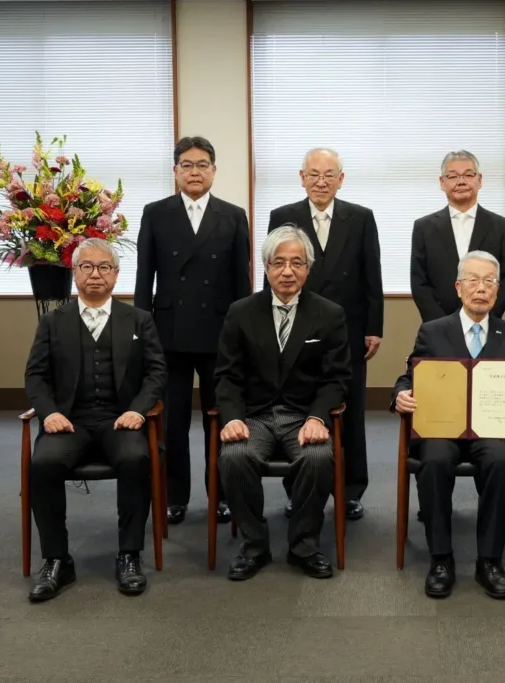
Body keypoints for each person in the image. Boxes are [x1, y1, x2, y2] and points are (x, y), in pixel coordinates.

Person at [24, 238, 167, 601]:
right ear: (74, 274)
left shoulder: (138, 319)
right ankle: (57, 560)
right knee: (44, 462)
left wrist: (138, 409)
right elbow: (35, 376)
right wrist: (50, 413)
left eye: (104, 267)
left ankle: (129, 555)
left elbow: (156, 373)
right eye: (86, 267)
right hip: (69, 421)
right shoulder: (53, 322)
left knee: (137, 458)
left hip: (121, 419)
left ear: (116, 275)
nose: (95, 275)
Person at [392, 250, 505, 600]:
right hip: (443, 427)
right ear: (459, 288)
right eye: (473, 281)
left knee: (501, 462)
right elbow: (407, 377)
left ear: (498, 290)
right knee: (434, 460)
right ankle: (441, 558)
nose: (481, 289)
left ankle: (490, 560)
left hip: (491, 429)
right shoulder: (433, 331)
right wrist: (400, 395)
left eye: (489, 281)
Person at [215, 225, 352, 581]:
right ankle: (254, 545)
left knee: (318, 457)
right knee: (234, 456)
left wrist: (318, 418)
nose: (287, 271)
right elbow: (227, 374)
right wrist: (231, 417)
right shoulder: (241, 312)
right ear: (265, 267)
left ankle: (304, 546)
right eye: (278, 263)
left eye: (296, 263)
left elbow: (336, 378)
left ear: (308, 268)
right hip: (254, 415)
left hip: (302, 415)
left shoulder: (329, 314)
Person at [134, 135, 251, 527]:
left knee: (220, 418)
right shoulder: (155, 213)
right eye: (187, 164)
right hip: (168, 333)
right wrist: (141, 329)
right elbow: (143, 278)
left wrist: (245, 332)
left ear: (214, 171)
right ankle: (174, 496)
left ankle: (220, 494)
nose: (195, 171)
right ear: (175, 172)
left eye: (202, 164)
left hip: (220, 333)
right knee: (173, 420)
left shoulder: (233, 216)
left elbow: (242, 283)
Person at [266, 147, 383, 521]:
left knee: (351, 411)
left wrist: (373, 329)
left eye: (329, 174)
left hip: (348, 329)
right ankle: (296, 488)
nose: (321, 181)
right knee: (297, 408)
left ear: (341, 179)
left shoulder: (361, 218)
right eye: (313, 174)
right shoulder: (283, 217)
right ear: (302, 177)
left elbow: (372, 277)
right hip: (296, 327)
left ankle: (350, 490)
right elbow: (272, 274)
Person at [410, 150, 505, 323]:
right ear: (442, 182)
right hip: (437, 327)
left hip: (486, 323)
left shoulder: (502, 226)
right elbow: (419, 282)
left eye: (468, 175)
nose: (461, 182)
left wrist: (484, 319)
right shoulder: (424, 227)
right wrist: (440, 324)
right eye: (452, 176)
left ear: (479, 180)